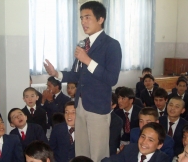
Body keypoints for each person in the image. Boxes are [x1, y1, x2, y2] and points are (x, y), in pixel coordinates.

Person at [44, 1, 122, 161]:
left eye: (87, 17)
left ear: (100, 19)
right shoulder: (83, 44)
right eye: (81, 18)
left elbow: (111, 78)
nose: (83, 22)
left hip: (98, 107)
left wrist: (87, 60)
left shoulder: (112, 45)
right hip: (80, 105)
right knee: (81, 152)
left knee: (98, 153)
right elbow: (78, 75)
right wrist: (56, 73)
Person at [101, 122, 170, 162]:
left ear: (159, 145)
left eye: (150, 140)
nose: (144, 142)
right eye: (143, 136)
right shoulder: (130, 149)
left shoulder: (162, 159)